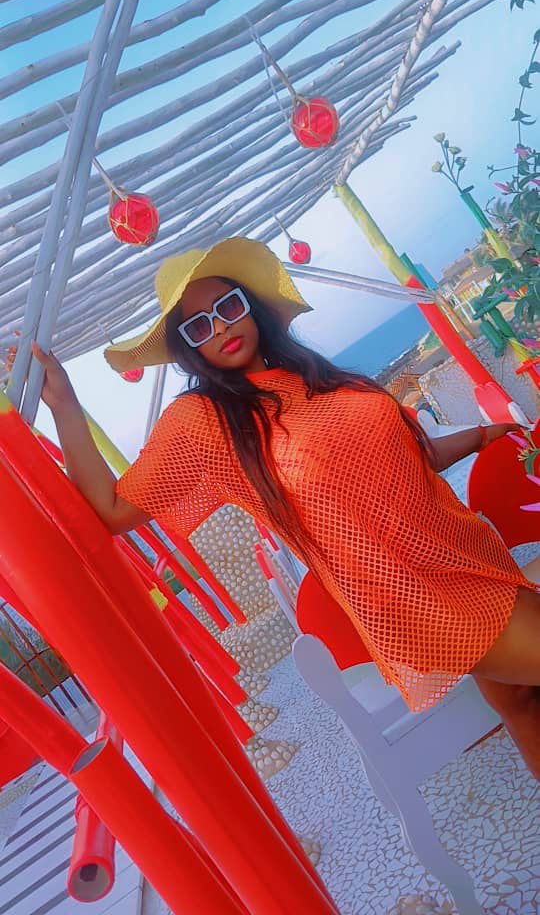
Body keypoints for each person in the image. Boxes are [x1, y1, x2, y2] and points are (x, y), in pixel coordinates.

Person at [33, 237, 540, 779]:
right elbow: (113, 509)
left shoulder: (313, 377)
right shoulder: (205, 421)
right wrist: (65, 406)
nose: (220, 327)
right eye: (198, 326)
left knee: (522, 702)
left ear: (250, 307)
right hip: (415, 599)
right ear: (188, 348)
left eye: (227, 307)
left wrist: (485, 434)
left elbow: (415, 459)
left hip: (470, 557)